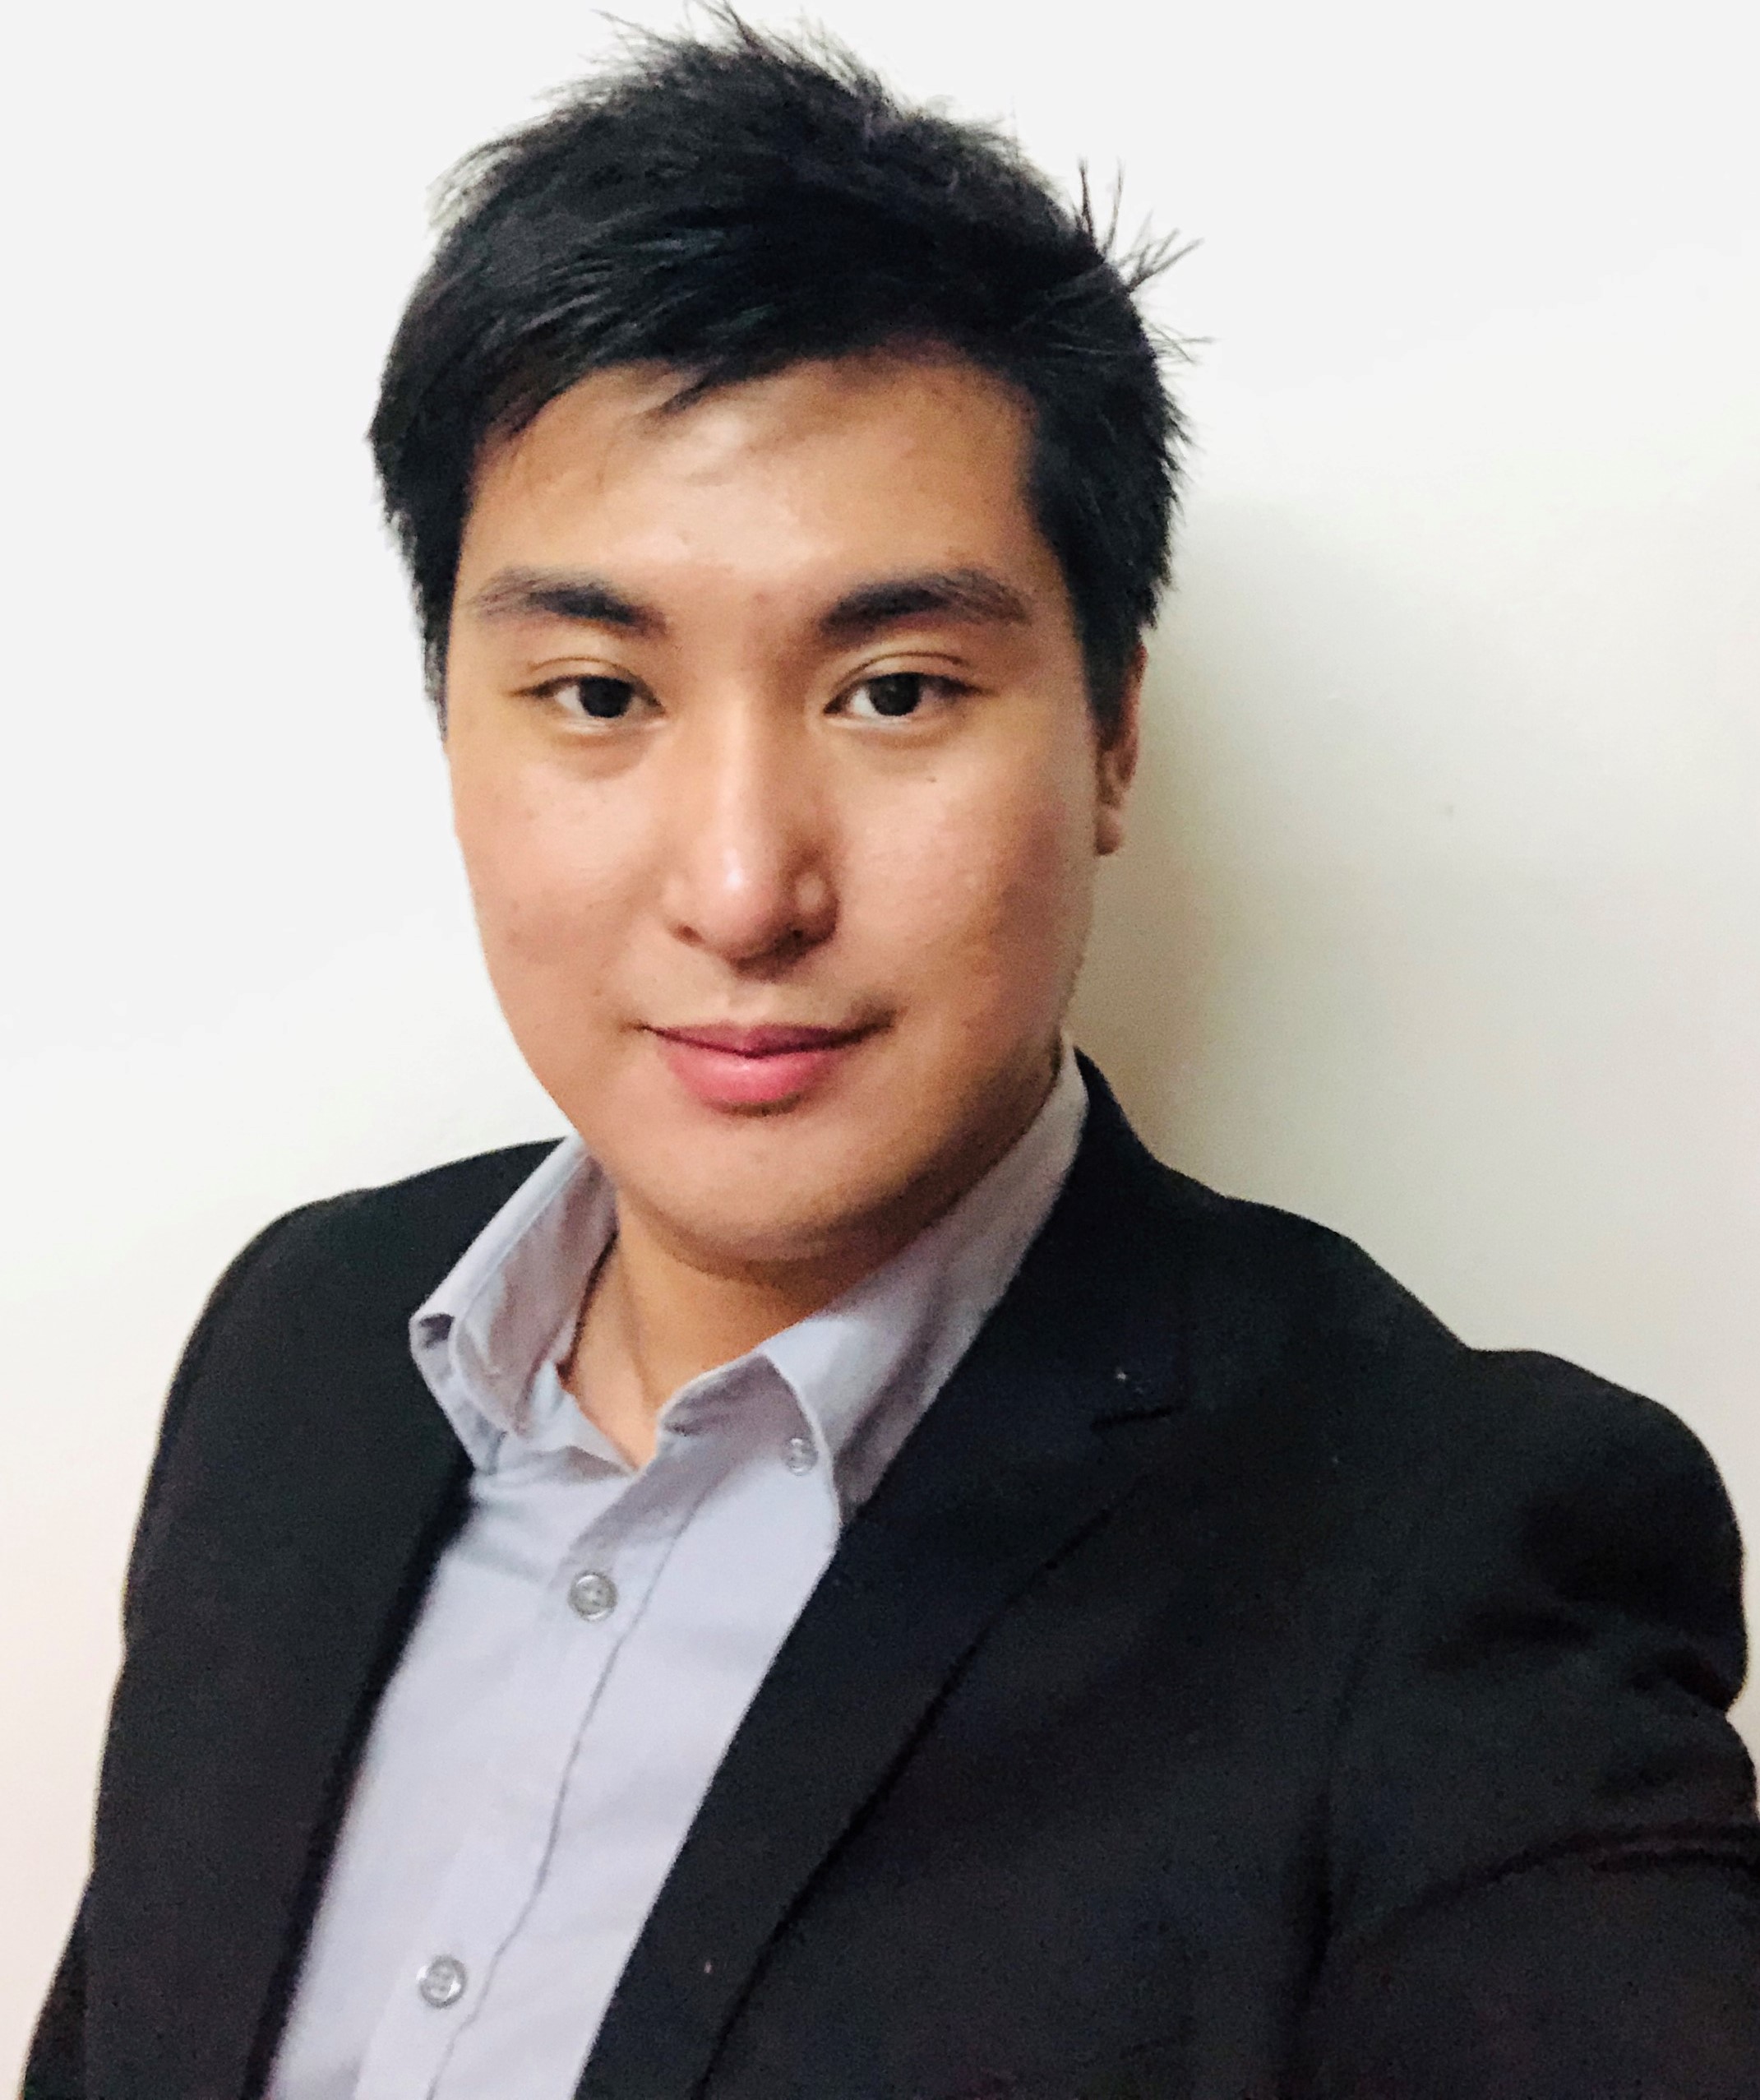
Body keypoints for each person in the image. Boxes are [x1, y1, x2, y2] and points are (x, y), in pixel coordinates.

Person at [25, 16, 1760, 2100]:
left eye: (897, 689)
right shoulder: (306, 1341)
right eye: (597, 693)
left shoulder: (1445, 1555)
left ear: (1109, 732)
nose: (744, 886)